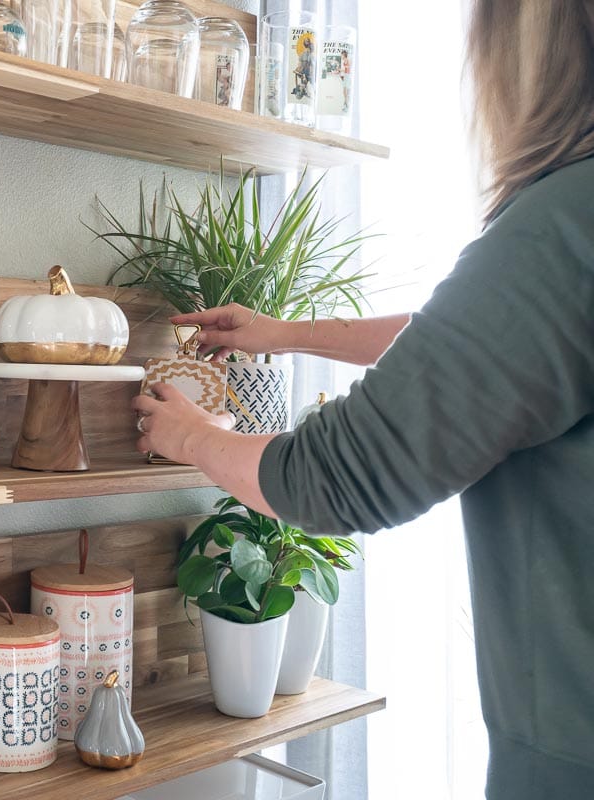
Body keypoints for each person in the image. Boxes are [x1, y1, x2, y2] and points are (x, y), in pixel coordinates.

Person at [131, 2, 594, 797]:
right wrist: (286, 335)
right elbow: (496, 346)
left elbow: (335, 478)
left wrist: (195, 436)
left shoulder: (566, 220)